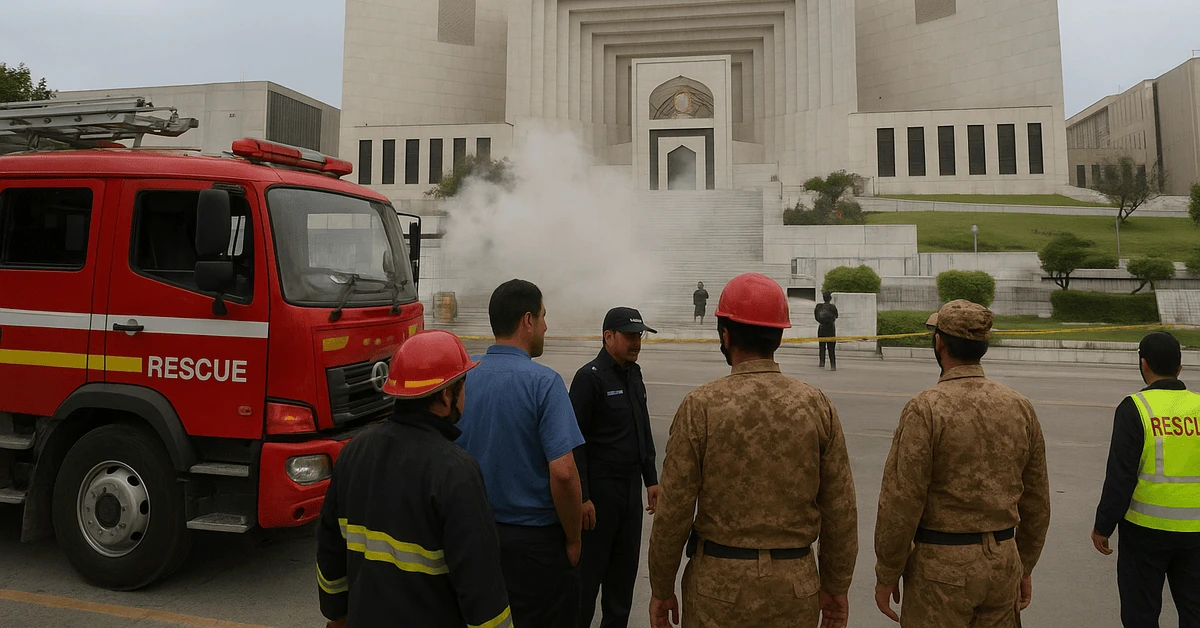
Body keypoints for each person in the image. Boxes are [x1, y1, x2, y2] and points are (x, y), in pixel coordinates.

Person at [648, 272, 858, 628]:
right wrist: (836, 587)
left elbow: (674, 510)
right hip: (795, 589)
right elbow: (840, 509)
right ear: (778, 336)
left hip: (717, 589)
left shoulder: (701, 406)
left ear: (725, 335)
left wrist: (662, 586)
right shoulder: (816, 405)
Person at [873, 299, 1051, 628]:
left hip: (940, 568)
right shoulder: (1019, 406)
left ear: (939, 342)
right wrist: (1023, 565)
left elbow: (902, 499)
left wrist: (888, 571)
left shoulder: (926, 408)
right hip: (1002, 561)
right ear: (983, 345)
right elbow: (1037, 498)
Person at [315, 330, 511, 628]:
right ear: (447, 396)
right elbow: (480, 585)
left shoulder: (355, 451)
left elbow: (330, 549)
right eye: (463, 385)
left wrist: (337, 613)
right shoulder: (456, 470)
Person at [455, 279, 586, 628]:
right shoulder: (544, 383)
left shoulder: (463, 376)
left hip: (472, 535)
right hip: (533, 548)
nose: (546, 326)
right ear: (527, 320)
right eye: (543, 316)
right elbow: (563, 472)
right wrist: (573, 538)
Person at [1092, 331, 1200, 627]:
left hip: (1145, 532)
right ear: (1180, 367)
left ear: (1144, 365)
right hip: (1197, 534)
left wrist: (1104, 525)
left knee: (1141, 613)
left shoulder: (1135, 408)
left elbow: (1120, 475)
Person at [571, 307, 661, 628]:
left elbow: (642, 428)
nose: (636, 342)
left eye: (639, 335)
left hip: (629, 495)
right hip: (598, 496)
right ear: (608, 336)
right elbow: (574, 443)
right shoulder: (589, 378)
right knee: (587, 585)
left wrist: (651, 479)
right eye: (630, 335)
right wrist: (582, 497)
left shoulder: (633, 374)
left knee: (622, 586)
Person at [814, 291, 839, 371]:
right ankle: (833, 364)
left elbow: (816, 316)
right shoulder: (832, 307)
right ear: (830, 298)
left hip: (821, 328)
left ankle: (822, 362)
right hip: (830, 328)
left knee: (822, 346)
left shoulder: (819, 307)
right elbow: (836, 316)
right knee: (831, 348)